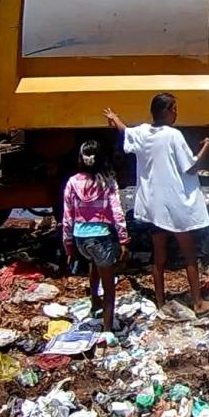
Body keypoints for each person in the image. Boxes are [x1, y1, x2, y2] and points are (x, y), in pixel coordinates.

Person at [104, 95, 209, 313]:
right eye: (174, 109)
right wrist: (207, 147)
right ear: (166, 111)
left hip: (153, 206)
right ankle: (197, 302)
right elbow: (191, 167)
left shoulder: (144, 132)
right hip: (176, 205)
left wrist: (114, 118)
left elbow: (125, 131)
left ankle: (161, 302)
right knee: (189, 254)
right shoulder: (174, 135)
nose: (176, 113)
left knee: (159, 256)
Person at [61, 141, 129, 333]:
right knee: (110, 289)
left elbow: (67, 216)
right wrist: (124, 239)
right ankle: (107, 332)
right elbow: (117, 212)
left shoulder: (72, 182)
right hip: (100, 237)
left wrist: (68, 244)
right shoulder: (107, 182)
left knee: (94, 265)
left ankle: (94, 303)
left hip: (80, 238)